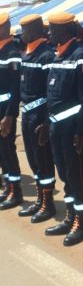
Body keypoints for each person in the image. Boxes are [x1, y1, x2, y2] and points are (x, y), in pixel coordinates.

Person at [45, 12, 83, 246]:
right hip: (57, 127)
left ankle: (80, 221)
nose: (48, 33)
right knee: (65, 174)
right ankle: (70, 213)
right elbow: (53, 95)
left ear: (64, 31)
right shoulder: (58, 55)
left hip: (73, 129)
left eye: (52, 29)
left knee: (77, 175)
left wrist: (82, 132)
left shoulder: (81, 56)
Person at [17, 14, 56, 222]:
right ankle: (40, 199)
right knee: (32, 159)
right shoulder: (27, 54)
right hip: (27, 114)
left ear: (36, 30)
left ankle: (48, 203)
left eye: (26, 29)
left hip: (40, 115)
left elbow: (51, 93)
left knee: (43, 160)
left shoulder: (46, 56)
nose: (23, 34)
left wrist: (47, 121)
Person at [0, 13, 22, 210]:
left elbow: (16, 89)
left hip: (5, 112)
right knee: (1, 152)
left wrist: (9, 115)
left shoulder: (11, 54)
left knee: (8, 150)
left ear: (6, 28)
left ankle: (16, 191)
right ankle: (8, 186)